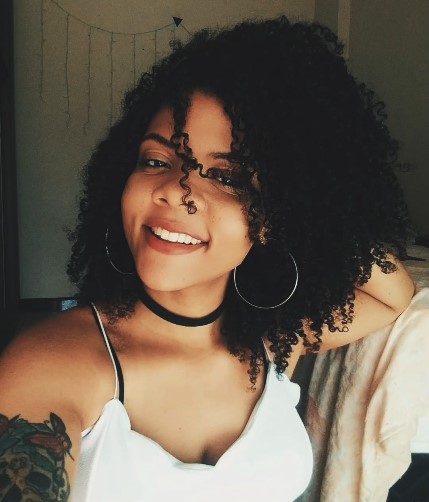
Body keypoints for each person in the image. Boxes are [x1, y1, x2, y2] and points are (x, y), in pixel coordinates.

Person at [0, 16, 415, 502]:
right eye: (156, 161)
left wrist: (301, 218)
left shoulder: (272, 342)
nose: (175, 192)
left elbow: (391, 296)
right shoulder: (51, 364)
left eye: (228, 177)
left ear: (278, 212)